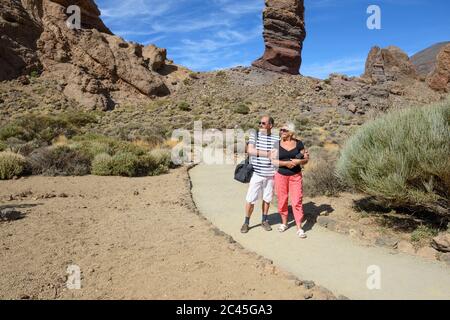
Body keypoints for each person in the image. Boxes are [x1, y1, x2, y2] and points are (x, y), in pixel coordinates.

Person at [241, 115, 280, 234]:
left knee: (267, 199)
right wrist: (267, 154)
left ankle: (264, 220)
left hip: (271, 174)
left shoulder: (276, 138)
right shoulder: (255, 135)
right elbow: (250, 150)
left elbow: (278, 154)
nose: (260, 125)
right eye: (260, 123)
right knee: (250, 199)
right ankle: (246, 222)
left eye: (263, 123)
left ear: (270, 125)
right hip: (257, 174)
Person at [271, 123, 310, 238]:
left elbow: (306, 159)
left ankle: (299, 227)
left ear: (291, 132)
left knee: (297, 200)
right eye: (281, 130)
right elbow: (273, 161)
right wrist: (286, 163)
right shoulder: (276, 144)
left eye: (284, 130)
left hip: (295, 176)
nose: (282, 131)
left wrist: (299, 162)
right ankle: (284, 223)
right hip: (281, 175)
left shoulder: (299, 143)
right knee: (282, 200)